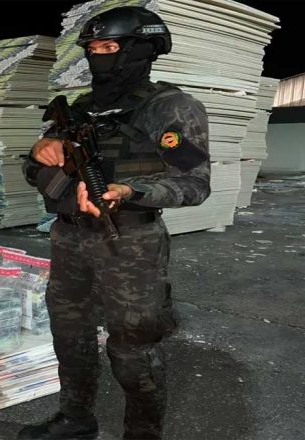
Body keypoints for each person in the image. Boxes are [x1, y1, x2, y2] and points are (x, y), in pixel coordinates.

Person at [18, 6, 210, 440]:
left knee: (133, 347)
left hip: (129, 242)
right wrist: (41, 152)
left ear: (142, 50)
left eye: (110, 48)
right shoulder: (79, 109)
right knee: (70, 335)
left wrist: (128, 191)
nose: (99, 57)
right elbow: (33, 171)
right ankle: (75, 420)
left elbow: (194, 184)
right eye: (93, 49)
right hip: (69, 238)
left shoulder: (170, 108)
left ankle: (142, 434)